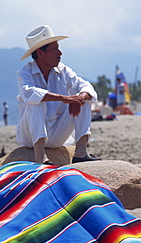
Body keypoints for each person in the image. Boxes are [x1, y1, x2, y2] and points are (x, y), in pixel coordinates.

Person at [16, 25, 100, 164]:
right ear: (40, 53)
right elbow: (28, 92)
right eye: (54, 49)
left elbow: (86, 86)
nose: (59, 53)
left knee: (82, 99)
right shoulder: (25, 72)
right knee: (35, 100)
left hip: (56, 135)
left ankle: (80, 152)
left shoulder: (63, 70)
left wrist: (79, 98)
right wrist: (64, 98)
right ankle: (40, 157)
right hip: (29, 137)